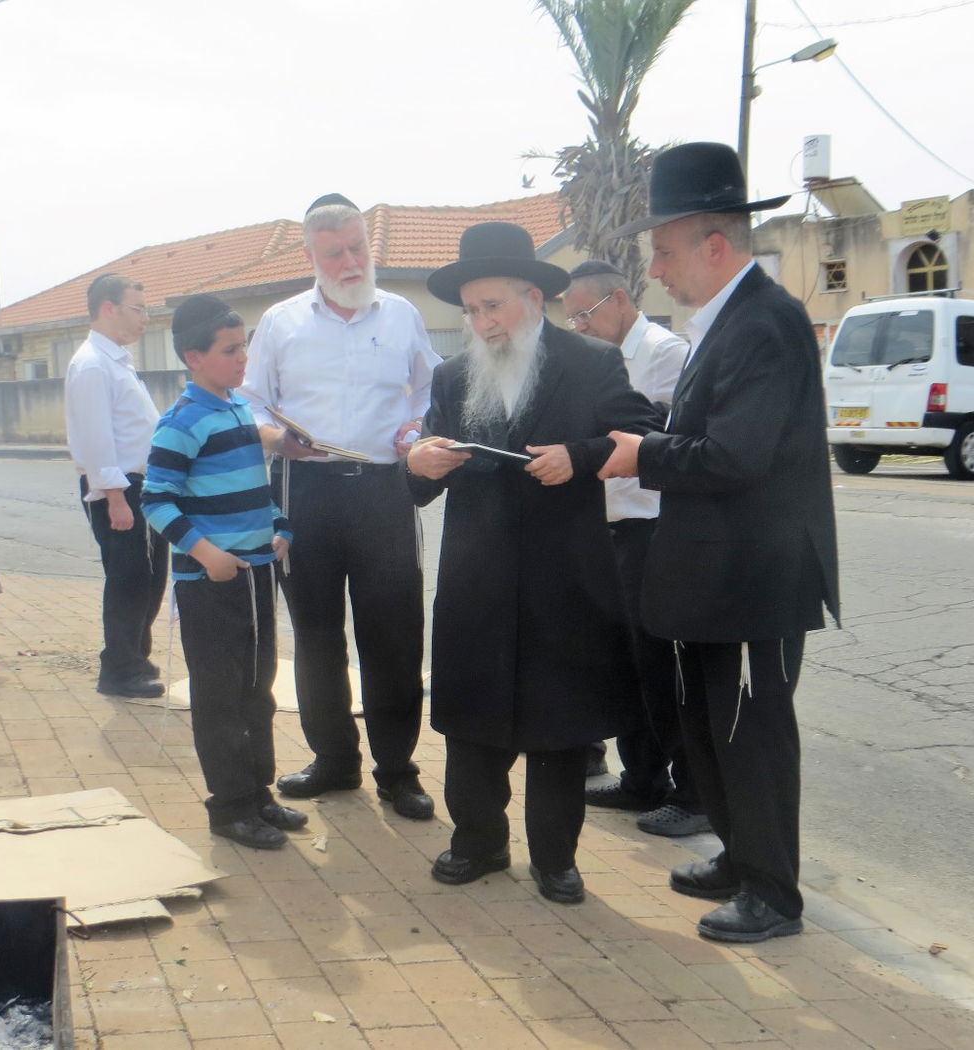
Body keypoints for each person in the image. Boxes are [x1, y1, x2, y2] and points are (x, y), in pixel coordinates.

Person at [600, 142, 840, 942]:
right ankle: (741, 858)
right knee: (711, 728)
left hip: (755, 577)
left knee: (753, 734)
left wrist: (647, 453)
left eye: (664, 252)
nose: (657, 271)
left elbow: (739, 455)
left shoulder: (764, 323)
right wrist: (649, 431)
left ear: (714, 244)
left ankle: (774, 895)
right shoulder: (723, 321)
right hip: (718, 574)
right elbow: (706, 431)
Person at [407, 222, 658, 903]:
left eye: (494, 306)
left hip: (565, 579)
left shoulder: (592, 364)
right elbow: (422, 479)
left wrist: (578, 456)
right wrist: (418, 463)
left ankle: (556, 858)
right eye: (472, 310)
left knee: (559, 730)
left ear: (533, 299)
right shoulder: (453, 376)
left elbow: (642, 436)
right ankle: (478, 842)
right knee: (471, 726)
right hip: (477, 583)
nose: (482, 322)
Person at [240, 194, 440, 821]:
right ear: (312, 256)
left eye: (358, 248)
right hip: (307, 490)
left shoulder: (402, 314)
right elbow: (248, 401)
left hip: (384, 487)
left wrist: (416, 431)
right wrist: (275, 438)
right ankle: (333, 759)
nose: (351, 262)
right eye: (336, 253)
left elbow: (432, 389)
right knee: (317, 634)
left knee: (394, 636)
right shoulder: (281, 321)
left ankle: (397, 770)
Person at [141, 294, 302, 850]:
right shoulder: (182, 422)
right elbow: (156, 499)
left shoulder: (237, 410)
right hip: (212, 583)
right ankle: (228, 807)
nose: (242, 359)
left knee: (257, 691)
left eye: (245, 348)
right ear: (194, 357)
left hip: (258, 575)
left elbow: (255, 489)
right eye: (231, 350)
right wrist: (205, 553)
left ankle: (257, 793)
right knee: (219, 697)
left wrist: (280, 526)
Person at [562, 260, 706, 838]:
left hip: (653, 525)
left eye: (585, 313)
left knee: (664, 664)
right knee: (625, 663)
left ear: (618, 300)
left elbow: (671, 435)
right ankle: (641, 776)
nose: (578, 325)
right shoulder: (594, 361)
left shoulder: (666, 352)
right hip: (608, 525)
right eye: (570, 315)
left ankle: (692, 792)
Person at [64, 273, 170, 699]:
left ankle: (134, 658)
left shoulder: (116, 360)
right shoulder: (91, 364)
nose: (145, 318)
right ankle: (121, 669)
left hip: (139, 486)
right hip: (121, 488)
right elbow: (95, 437)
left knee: (148, 578)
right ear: (109, 308)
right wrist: (114, 497)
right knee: (130, 580)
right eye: (138, 309)